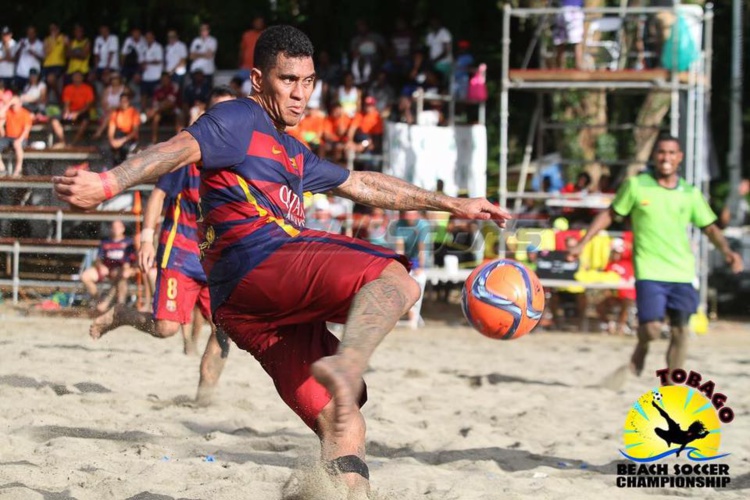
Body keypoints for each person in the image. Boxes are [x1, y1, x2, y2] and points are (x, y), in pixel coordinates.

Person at [53, 25, 509, 493]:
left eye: (308, 82)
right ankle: (347, 364)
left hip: (247, 311)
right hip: (260, 261)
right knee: (397, 278)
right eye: (288, 80)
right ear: (258, 79)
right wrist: (108, 183)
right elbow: (174, 150)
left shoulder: (294, 152)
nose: (300, 94)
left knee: (343, 420)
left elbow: (363, 184)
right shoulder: (238, 118)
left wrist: (452, 204)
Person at [90, 86, 237, 404]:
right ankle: (121, 314)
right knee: (166, 328)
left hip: (218, 259)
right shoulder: (186, 153)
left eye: (231, 112)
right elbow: (158, 195)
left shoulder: (241, 158)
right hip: (180, 251)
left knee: (225, 328)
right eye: (218, 112)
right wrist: (146, 238)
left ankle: (203, 399)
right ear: (206, 115)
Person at [569, 135, 743, 377]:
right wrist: (582, 243)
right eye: (661, 152)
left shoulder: (689, 193)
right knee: (651, 329)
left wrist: (727, 251)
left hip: (682, 271)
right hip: (649, 270)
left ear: (680, 157)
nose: (666, 158)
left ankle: (671, 384)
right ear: (654, 156)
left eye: (671, 153)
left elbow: (710, 228)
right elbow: (610, 214)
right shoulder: (636, 186)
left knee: (681, 330)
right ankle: (642, 346)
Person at [80, 220, 136, 313]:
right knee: (85, 276)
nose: (116, 229)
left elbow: (130, 262)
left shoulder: (128, 242)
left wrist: (128, 269)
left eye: (118, 227)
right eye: (114, 227)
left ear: (123, 229)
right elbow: (98, 259)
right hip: (107, 268)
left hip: (121, 270)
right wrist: (101, 266)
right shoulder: (105, 242)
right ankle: (98, 300)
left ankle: (112, 304)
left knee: (120, 274)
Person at [596, 237, 636, 335]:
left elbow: (633, 251)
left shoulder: (628, 263)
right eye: (614, 252)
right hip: (615, 294)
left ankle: (621, 326)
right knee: (600, 306)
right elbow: (605, 281)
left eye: (618, 253)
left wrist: (626, 244)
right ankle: (609, 324)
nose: (616, 255)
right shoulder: (609, 265)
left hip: (627, 295)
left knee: (626, 302)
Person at [0, 97, 32, 176]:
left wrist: (19, 140)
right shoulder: (8, 111)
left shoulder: (25, 113)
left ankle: (18, 169)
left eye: (15, 104)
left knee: (17, 145)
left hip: (21, 138)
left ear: (20, 104)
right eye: (13, 104)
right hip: (8, 137)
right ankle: (2, 168)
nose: (14, 106)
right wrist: (9, 103)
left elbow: (26, 129)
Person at [106, 92, 139, 164]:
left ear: (129, 101)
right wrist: (112, 141)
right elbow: (111, 129)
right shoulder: (116, 113)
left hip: (129, 138)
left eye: (125, 101)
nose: (123, 103)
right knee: (110, 148)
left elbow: (135, 131)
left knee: (124, 149)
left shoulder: (134, 112)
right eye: (122, 101)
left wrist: (121, 141)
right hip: (119, 136)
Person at [553, 0, 585, 69]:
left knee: (561, 42)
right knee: (577, 42)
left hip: (562, 9)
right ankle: (578, 69)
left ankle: (559, 70)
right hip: (573, 10)